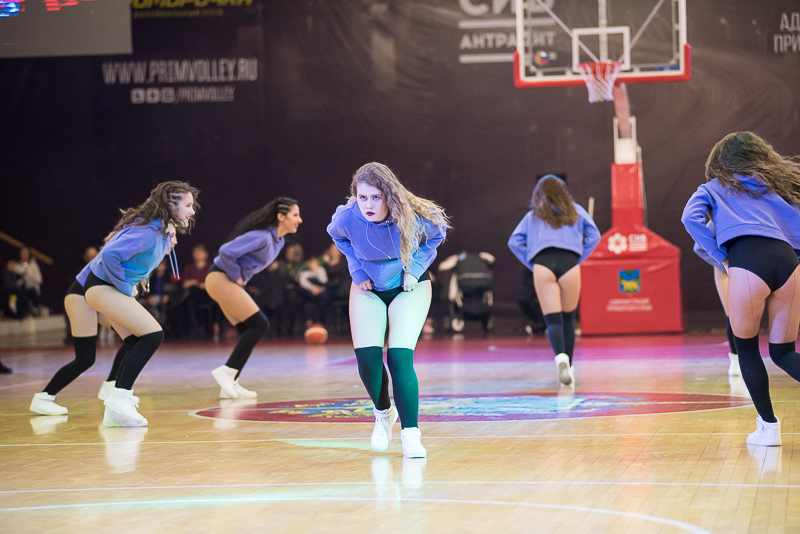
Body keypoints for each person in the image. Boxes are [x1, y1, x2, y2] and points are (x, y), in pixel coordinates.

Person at [682, 131, 800, 447]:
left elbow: (690, 218)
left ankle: (768, 428)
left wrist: (721, 255)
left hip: (747, 263)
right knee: (784, 352)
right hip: (789, 264)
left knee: (747, 348)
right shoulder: (777, 188)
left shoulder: (713, 187)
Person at [327, 162, 449, 458]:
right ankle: (383, 413)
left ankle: (411, 434)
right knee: (367, 360)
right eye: (362, 197)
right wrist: (357, 271)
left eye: (375, 197)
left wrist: (414, 268)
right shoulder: (346, 217)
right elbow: (338, 237)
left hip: (409, 286)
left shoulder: (411, 214)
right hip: (368, 286)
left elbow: (437, 234)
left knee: (399, 358)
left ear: (389, 196)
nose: (368, 204)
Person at [81, 181, 198, 427]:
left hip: (104, 288)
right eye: (188, 205)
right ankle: (119, 398)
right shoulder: (149, 232)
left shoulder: (158, 230)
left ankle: (115, 410)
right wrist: (126, 288)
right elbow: (109, 255)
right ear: (171, 205)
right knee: (153, 335)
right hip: (102, 287)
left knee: (135, 341)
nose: (192, 210)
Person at [508, 175, 600, 386]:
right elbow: (594, 235)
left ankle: (561, 359)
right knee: (568, 319)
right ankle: (570, 366)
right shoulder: (576, 210)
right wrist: (579, 256)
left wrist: (532, 262)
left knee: (553, 320)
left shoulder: (534, 215)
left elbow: (514, 241)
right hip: (570, 264)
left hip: (543, 265)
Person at [206, 197, 302, 399]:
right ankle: (226, 371)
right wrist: (237, 277)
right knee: (260, 325)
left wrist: (240, 279)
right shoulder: (263, 237)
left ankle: (231, 381)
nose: (299, 220)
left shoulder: (278, 241)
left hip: (226, 280)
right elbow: (226, 252)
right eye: (295, 215)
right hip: (219, 278)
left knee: (247, 330)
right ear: (281, 217)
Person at [29, 261, 138, 416]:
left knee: (134, 334)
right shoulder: (120, 254)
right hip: (80, 297)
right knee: (85, 359)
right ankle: (44, 398)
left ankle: (111, 385)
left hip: (94, 298)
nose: (171, 246)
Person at [692, 221, 740, 376]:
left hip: (755, 265)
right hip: (727, 268)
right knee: (732, 316)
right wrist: (725, 262)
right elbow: (699, 247)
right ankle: (736, 359)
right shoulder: (721, 213)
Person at [12, 246, 43, 313]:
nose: (24, 255)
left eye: (26, 253)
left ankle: (36, 308)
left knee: (31, 292)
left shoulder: (33, 265)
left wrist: (27, 274)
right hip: (20, 289)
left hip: (32, 288)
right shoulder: (16, 266)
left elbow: (39, 280)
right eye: (23, 253)